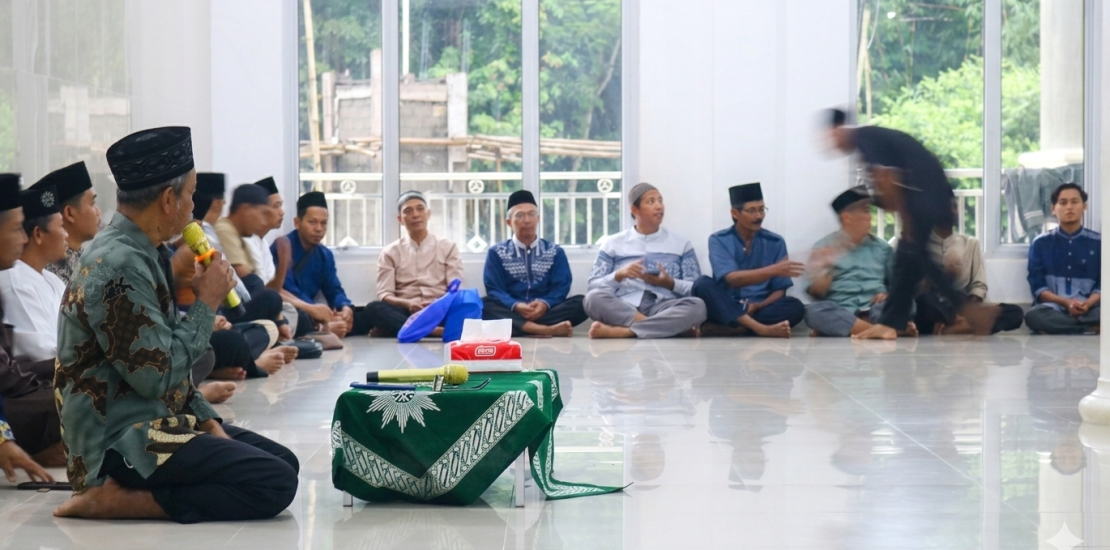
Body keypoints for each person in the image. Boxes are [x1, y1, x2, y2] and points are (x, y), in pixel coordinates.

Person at [53, 127, 299, 522]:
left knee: (283, 462)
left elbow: (169, 361)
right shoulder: (117, 264)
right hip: (120, 440)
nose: (193, 207)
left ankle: (147, 489)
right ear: (169, 200)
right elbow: (157, 375)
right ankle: (113, 499)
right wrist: (207, 303)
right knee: (274, 482)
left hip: (157, 419)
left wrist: (208, 422)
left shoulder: (144, 251)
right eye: (191, 194)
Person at [825, 107, 997, 339]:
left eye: (830, 139)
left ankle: (962, 311)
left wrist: (906, 217)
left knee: (911, 255)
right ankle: (899, 322)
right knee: (911, 259)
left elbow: (887, 179)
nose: (832, 146)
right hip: (933, 194)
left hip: (924, 196)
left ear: (836, 130)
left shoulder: (864, 139)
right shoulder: (870, 138)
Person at [584, 183, 706, 339]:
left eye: (660, 201)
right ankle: (665, 328)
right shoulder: (613, 243)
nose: (659, 206)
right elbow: (593, 285)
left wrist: (670, 283)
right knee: (592, 299)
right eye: (651, 201)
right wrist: (618, 275)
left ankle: (627, 332)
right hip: (625, 306)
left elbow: (695, 287)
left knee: (698, 306)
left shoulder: (681, 243)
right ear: (635, 210)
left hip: (663, 306)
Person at [0, 173, 64, 467]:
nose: (24, 239)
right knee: (84, 400)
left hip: (20, 389)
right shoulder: (12, 282)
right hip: (14, 396)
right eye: (17, 229)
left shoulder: (52, 280)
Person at [892, 202, 1024, 335]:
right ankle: (962, 326)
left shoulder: (970, 243)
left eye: (954, 207)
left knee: (1015, 312)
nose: (952, 212)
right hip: (930, 306)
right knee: (925, 302)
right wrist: (947, 275)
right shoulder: (919, 245)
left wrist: (970, 309)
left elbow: (979, 285)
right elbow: (909, 289)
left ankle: (957, 325)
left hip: (961, 305)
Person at [692, 182, 805, 338]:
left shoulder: (775, 242)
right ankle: (759, 329)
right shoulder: (718, 240)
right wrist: (774, 270)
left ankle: (735, 329)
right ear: (735, 213)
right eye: (751, 211)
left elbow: (780, 290)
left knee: (795, 307)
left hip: (759, 308)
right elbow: (732, 279)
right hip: (727, 305)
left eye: (761, 209)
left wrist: (759, 305)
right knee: (702, 284)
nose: (758, 216)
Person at [353, 190, 463, 338]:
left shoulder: (448, 247)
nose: (415, 215)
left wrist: (437, 304)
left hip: (440, 308)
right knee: (373, 308)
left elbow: (455, 287)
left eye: (420, 209)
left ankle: (402, 329)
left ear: (428, 214)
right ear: (400, 219)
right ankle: (432, 331)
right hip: (406, 310)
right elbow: (385, 294)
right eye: (408, 211)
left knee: (474, 306)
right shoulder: (390, 252)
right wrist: (408, 303)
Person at [481, 190, 587, 337]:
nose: (527, 220)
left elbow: (561, 287)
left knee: (583, 302)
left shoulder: (554, 251)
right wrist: (516, 305)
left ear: (538, 219)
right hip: (511, 309)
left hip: (546, 311)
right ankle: (544, 329)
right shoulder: (496, 252)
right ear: (509, 222)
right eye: (520, 215)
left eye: (531, 214)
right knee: (483, 304)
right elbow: (494, 289)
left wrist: (544, 303)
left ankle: (520, 328)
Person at [803, 187, 901, 337]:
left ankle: (854, 328)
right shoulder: (823, 247)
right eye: (865, 211)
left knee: (901, 304)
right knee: (813, 311)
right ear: (847, 218)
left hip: (876, 308)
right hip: (843, 310)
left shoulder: (883, 248)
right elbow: (817, 293)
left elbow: (898, 286)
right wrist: (824, 268)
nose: (870, 217)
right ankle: (882, 329)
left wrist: (888, 295)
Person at [0, 184, 68, 363]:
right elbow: (43, 353)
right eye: (61, 227)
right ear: (38, 234)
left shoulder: (53, 280)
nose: (66, 235)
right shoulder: (14, 283)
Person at [273, 191, 353, 338]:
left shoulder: (325, 255)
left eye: (323, 223)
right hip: (292, 307)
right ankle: (321, 327)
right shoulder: (282, 247)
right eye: (312, 222)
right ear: (297, 222)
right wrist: (318, 312)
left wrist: (344, 308)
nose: (318, 229)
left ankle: (324, 325)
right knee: (298, 314)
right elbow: (288, 290)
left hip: (312, 310)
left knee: (364, 316)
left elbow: (334, 289)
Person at [1025, 183, 1100, 334]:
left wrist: (1087, 303)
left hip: (1091, 307)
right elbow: (1038, 286)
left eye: (1075, 202)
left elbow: (1105, 283)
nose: (1069, 207)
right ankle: (1089, 328)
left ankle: (1064, 327)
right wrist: (1066, 303)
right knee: (1033, 316)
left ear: (1084, 206)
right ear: (1054, 209)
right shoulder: (1040, 243)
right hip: (1055, 308)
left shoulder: (1099, 242)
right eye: (1063, 203)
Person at [42, 162, 101, 284]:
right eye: (92, 204)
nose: (98, 211)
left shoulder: (87, 258)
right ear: (69, 213)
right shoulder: (54, 270)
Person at [214, 184, 270, 280]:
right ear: (245, 209)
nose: (264, 222)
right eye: (262, 213)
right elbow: (245, 277)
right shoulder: (223, 229)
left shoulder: (238, 235)